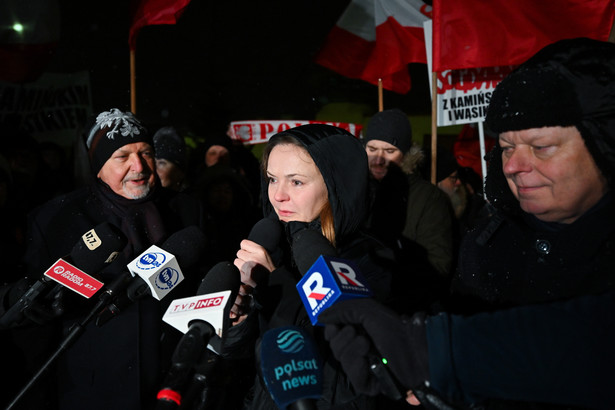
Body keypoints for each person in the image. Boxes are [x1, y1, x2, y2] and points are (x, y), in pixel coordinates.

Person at [318, 37, 615, 410]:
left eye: (541, 147)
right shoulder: (487, 246)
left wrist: (437, 351)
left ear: (606, 144)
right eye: (506, 148)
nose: (512, 166)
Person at [3, 108, 207, 410]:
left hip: (171, 385)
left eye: (146, 152)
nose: (138, 166)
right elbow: (35, 313)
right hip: (91, 388)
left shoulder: (187, 212)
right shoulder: (56, 218)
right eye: (122, 156)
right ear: (97, 165)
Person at [225, 124, 395, 409]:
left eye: (296, 182)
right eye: (272, 179)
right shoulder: (274, 247)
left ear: (336, 186)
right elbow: (242, 360)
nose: (278, 195)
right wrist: (238, 319)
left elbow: (351, 384)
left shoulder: (371, 262)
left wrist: (278, 289)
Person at [362, 108, 456, 312]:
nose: (378, 159)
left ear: (405, 155)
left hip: (405, 311)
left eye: (389, 151)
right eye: (372, 148)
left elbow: (438, 265)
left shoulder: (429, 198)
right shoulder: (354, 191)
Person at [153, 125, 190, 191]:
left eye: (162, 163)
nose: (154, 169)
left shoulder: (190, 200)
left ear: (179, 172)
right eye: (153, 162)